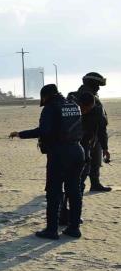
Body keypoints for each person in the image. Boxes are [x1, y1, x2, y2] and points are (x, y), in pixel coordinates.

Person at [10, 84, 85, 239]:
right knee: (74, 190)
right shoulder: (73, 105)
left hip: (59, 154)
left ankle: (51, 230)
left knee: (54, 192)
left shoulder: (50, 108)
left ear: (45, 96)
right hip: (78, 151)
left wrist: (20, 134)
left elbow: (44, 131)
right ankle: (74, 228)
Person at [60, 91, 106, 225]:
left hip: (83, 150)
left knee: (78, 185)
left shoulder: (96, 112)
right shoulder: (70, 110)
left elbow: (101, 130)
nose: (85, 111)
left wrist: (105, 148)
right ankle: (65, 216)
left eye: (88, 108)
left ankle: (73, 217)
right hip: (71, 150)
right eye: (84, 108)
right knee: (68, 186)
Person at [69, 72, 111, 191]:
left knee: (80, 163)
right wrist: (105, 147)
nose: (98, 88)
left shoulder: (72, 97)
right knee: (89, 163)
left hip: (73, 138)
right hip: (89, 137)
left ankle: (78, 185)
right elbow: (102, 127)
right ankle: (89, 184)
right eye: (98, 85)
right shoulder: (94, 101)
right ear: (94, 85)